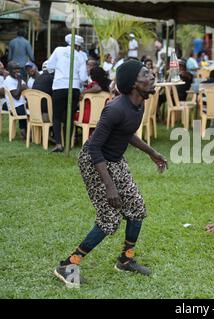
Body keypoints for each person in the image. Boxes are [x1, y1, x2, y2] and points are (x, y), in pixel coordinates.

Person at [53, 60, 168, 288]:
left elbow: (128, 133)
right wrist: (110, 186)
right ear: (133, 83)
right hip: (94, 162)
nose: (152, 75)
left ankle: (126, 260)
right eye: (146, 73)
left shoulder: (139, 104)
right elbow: (94, 147)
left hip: (115, 161)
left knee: (137, 209)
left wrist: (152, 152)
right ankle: (68, 265)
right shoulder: (115, 108)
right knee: (109, 221)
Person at [46, 34, 88, 152]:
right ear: (79, 46)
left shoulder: (58, 50)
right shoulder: (80, 56)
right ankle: (68, 145)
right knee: (70, 116)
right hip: (74, 88)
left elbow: (49, 66)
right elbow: (83, 77)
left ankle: (59, 144)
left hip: (59, 87)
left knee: (57, 116)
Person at [3, 61, 28, 139]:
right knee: (29, 110)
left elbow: (26, 89)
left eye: (18, 69)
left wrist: (21, 84)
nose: (17, 71)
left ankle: (28, 131)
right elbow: (16, 96)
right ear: (9, 70)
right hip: (15, 107)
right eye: (14, 69)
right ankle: (25, 131)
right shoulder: (8, 80)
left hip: (21, 104)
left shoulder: (17, 79)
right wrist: (20, 82)